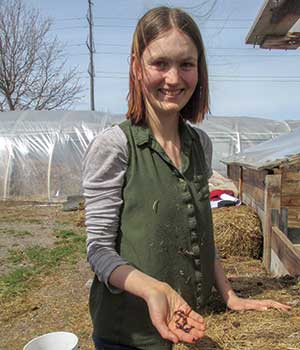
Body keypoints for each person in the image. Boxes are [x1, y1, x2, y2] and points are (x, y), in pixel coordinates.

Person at [82, 6, 290, 350]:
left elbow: (201, 233)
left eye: (186, 64)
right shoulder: (115, 146)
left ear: (199, 70)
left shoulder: (200, 144)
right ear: (136, 67)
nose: (174, 78)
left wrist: (229, 295)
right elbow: (99, 251)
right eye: (160, 63)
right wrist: (153, 289)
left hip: (185, 326)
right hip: (128, 336)